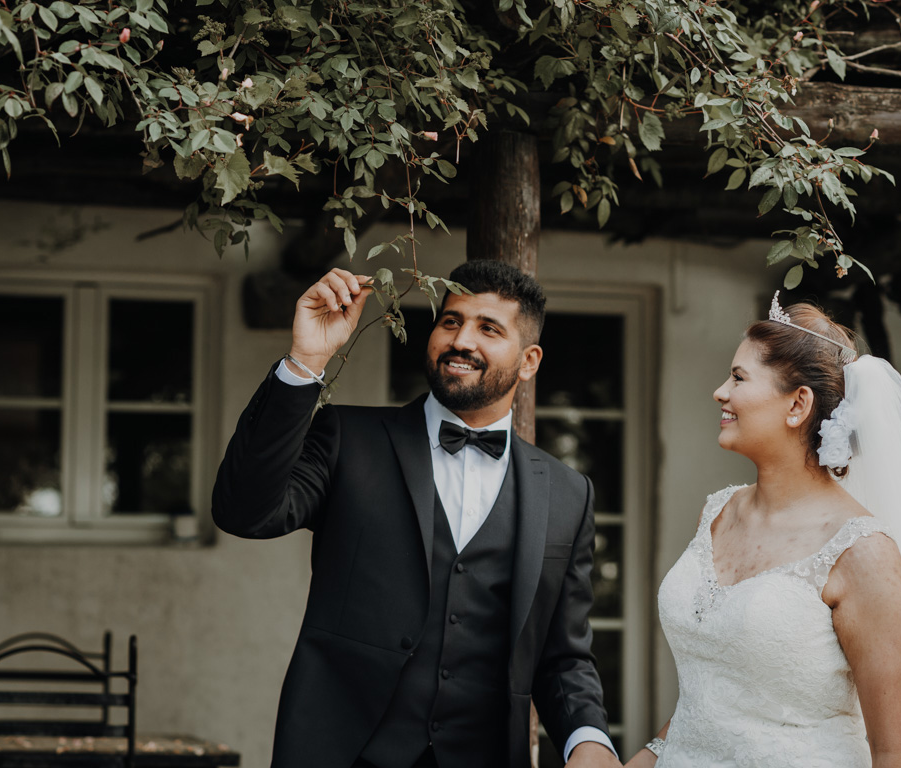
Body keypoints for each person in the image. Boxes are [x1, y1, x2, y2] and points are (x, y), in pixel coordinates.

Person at [212, 261, 621, 768]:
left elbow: (564, 657)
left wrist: (589, 738)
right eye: (450, 321)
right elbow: (243, 512)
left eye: (488, 328)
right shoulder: (349, 439)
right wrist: (304, 361)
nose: (461, 340)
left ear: (529, 360)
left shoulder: (568, 493)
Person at [627, 294, 901, 768]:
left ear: (798, 404)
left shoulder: (862, 552)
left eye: (738, 377)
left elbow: (895, 751)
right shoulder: (717, 512)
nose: (720, 392)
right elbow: (711, 694)